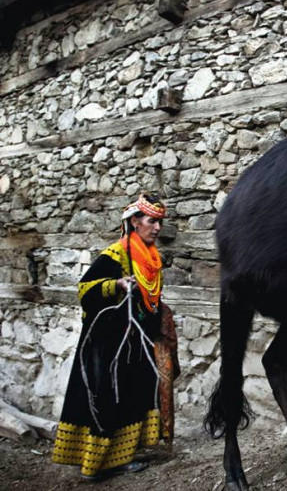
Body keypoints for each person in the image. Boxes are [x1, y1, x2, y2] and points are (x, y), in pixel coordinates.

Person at [52, 193, 169, 480]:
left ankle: (122, 458)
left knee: (132, 397)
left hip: (135, 342)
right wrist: (115, 284)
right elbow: (84, 290)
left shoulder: (151, 259)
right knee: (106, 399)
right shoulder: (114, 255)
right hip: (108, 346)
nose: (157, 228)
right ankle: (95, 465)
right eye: (152, 221)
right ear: (134, 222)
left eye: (160, 223)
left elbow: (149, 298)